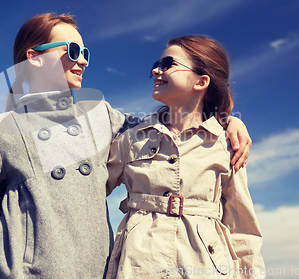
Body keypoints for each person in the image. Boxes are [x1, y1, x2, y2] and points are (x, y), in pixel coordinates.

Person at [0, 14, 253, 279]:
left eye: (85, 52)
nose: (82, 59)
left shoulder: (102, 116)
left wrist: (224, 119)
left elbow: (173, 127)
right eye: (72, 50)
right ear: (34, 57)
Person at [106, 35, 264, 279]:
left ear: (201, 82)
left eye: (168, 63)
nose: (156, 70)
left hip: (205, 267)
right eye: (156, 65)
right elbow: (89, 190)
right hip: (137, 265)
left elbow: (243, 229)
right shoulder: (130, 138)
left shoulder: (227, 144)